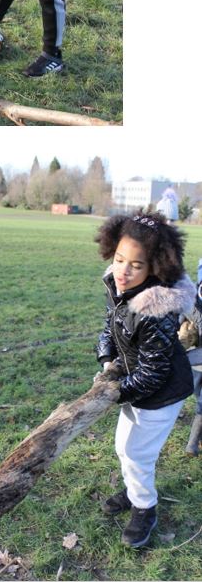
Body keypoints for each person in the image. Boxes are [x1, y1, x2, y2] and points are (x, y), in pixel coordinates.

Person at [94, 213, 195, 548]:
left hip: (162, 393)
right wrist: (107, 360)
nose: (123, 271)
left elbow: (154, 372)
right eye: (119, 259)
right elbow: (110, 325)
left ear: (155, 268)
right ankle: (135, 490)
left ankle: (145, 508)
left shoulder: (156, 309)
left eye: (135, 265)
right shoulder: (119, 286)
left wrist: (116, 393)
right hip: (133, 382)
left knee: (138, 453)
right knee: (123, 446)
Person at [178, 258, 202, 455]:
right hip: (195, 361)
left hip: (195, 360)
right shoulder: (189, 303)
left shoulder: (190, 302)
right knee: (196, 397)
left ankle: (192, 444)